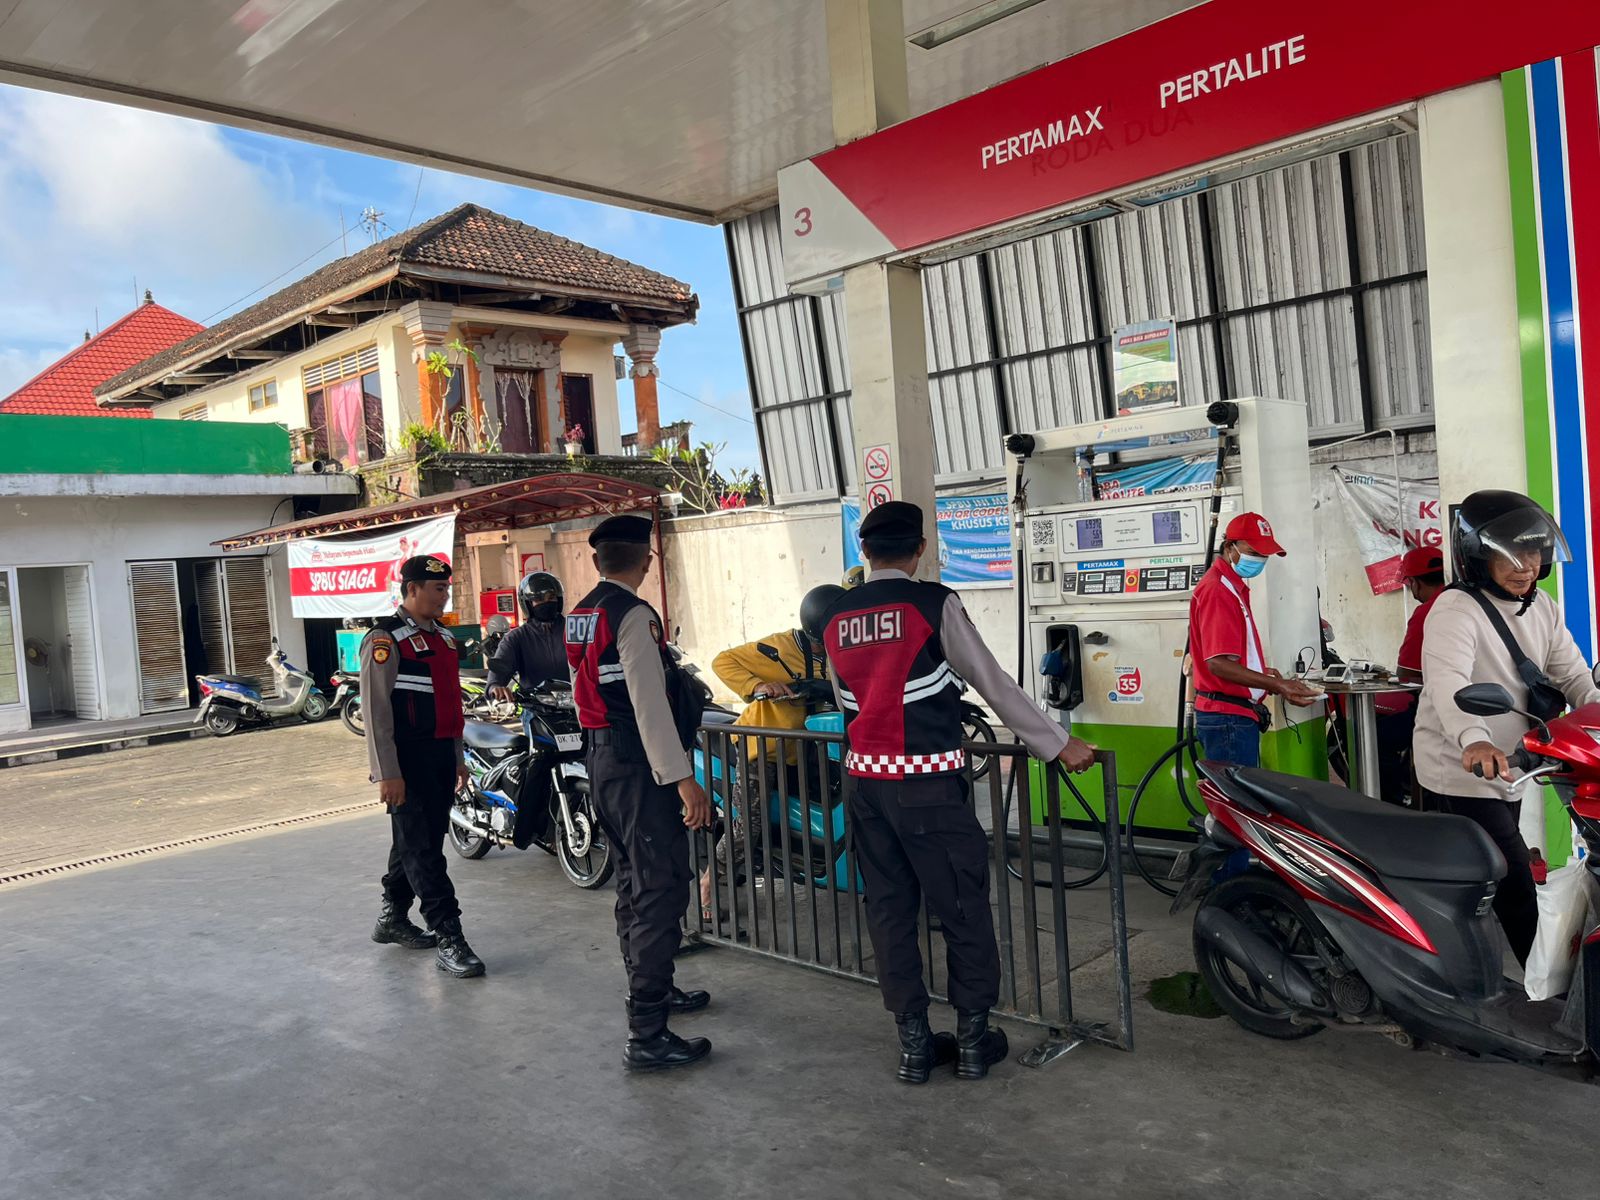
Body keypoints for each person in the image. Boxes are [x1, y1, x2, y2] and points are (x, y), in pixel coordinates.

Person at [822, 501, 1096, 1085]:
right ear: (920, 549)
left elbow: (845, 699)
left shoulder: (836, 615)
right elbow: (992, 682)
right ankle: (972, 1041)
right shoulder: (932, 604)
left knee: (889, 912)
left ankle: (914, 1047)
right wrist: (1056, 743)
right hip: (927, 786)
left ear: (864, 552)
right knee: (962, 908)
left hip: (865, 787)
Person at [1413, 490, 1599, 966]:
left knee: (1487, 874)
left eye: (1534, 553)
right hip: (1462, 767)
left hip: (1512, 763)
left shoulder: (1542, 607)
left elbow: (1574, 676)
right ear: (1479, 557)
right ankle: (1544, 988)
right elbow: (1448, 683)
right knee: (1512, 877)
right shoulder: (1455, 608)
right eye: (1511, 554)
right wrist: (1474, 740)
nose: (1526, 566)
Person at [565, 514, 715, 1072]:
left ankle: (652, 987)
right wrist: (682, 779)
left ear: (597, 561)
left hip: (602, 760)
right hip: (639, 767)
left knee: (633, 880)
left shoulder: (581, 613)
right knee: (659, 888)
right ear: (647, 561)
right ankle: (647, 1033)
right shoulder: (633, 614)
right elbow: (649, 702)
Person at [361, 554, 485, 979]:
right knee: (424, 851)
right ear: (411, 589)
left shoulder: (445, 639)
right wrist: (387, 772)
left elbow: (451, 707)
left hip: (439, 757)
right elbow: (376, 711)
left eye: (446, 587)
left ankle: (393, 917)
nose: (444, 595)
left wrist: (457, 757)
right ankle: (450, 936)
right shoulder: (385, 639)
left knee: (417, 841)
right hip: (406, 760)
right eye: (437, 589)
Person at [699, 588, 840, 922]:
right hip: (762, 748)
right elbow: (723, 661)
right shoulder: (780, 647)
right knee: (750, 824)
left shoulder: (838, 652)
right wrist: (758, 686)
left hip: (805, 748)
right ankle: (709, 881)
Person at [1188, 512, 1320, 765]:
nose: (1259, 560)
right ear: (1230, 547)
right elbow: (1217, 664)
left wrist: (1260, 672)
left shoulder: (1231, 587)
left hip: (1233, 715)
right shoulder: (1218, 590)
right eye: (1254, 552)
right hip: (1227, 719)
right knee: (1236, 791)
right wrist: (1278, 685)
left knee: (1239, 789)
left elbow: (1228, 655)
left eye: (1264, 555)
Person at [1372, 547, 1448, 803]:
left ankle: (1394, 807)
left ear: (1415, 582)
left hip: (1437, 710)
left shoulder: (1427, 611)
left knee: (1376, 739)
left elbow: (1407, 674)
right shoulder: (1466, 603)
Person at [488, 572, 570, 738]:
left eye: (551, 597)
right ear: (527, 604)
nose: (546, 603)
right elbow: (498, 672)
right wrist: (496, 687)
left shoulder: (575, 630)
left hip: (578, 708)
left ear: (559, 599)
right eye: (538, 599)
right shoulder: (516, 638)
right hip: (537, 711)